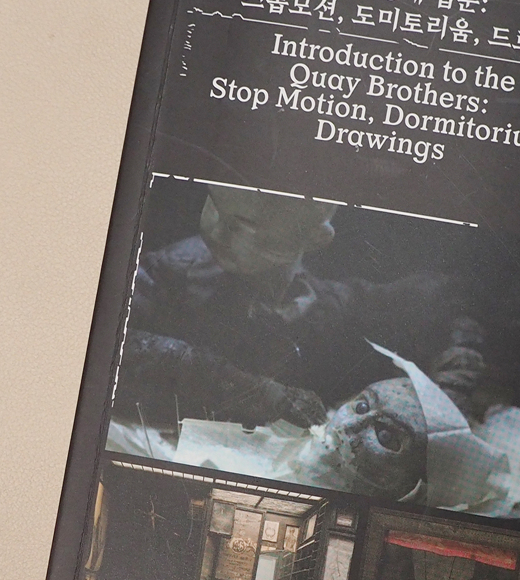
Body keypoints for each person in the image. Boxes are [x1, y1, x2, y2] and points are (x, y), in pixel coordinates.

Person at [110, 185, 469, 433]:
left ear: (315, 237)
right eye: (214, 205)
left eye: (246, 225)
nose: (215, 231)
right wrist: (253, 391)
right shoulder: (171, 272)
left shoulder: (326, 303)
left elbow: (444, 301)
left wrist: (453, 380)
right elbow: (112, 343)